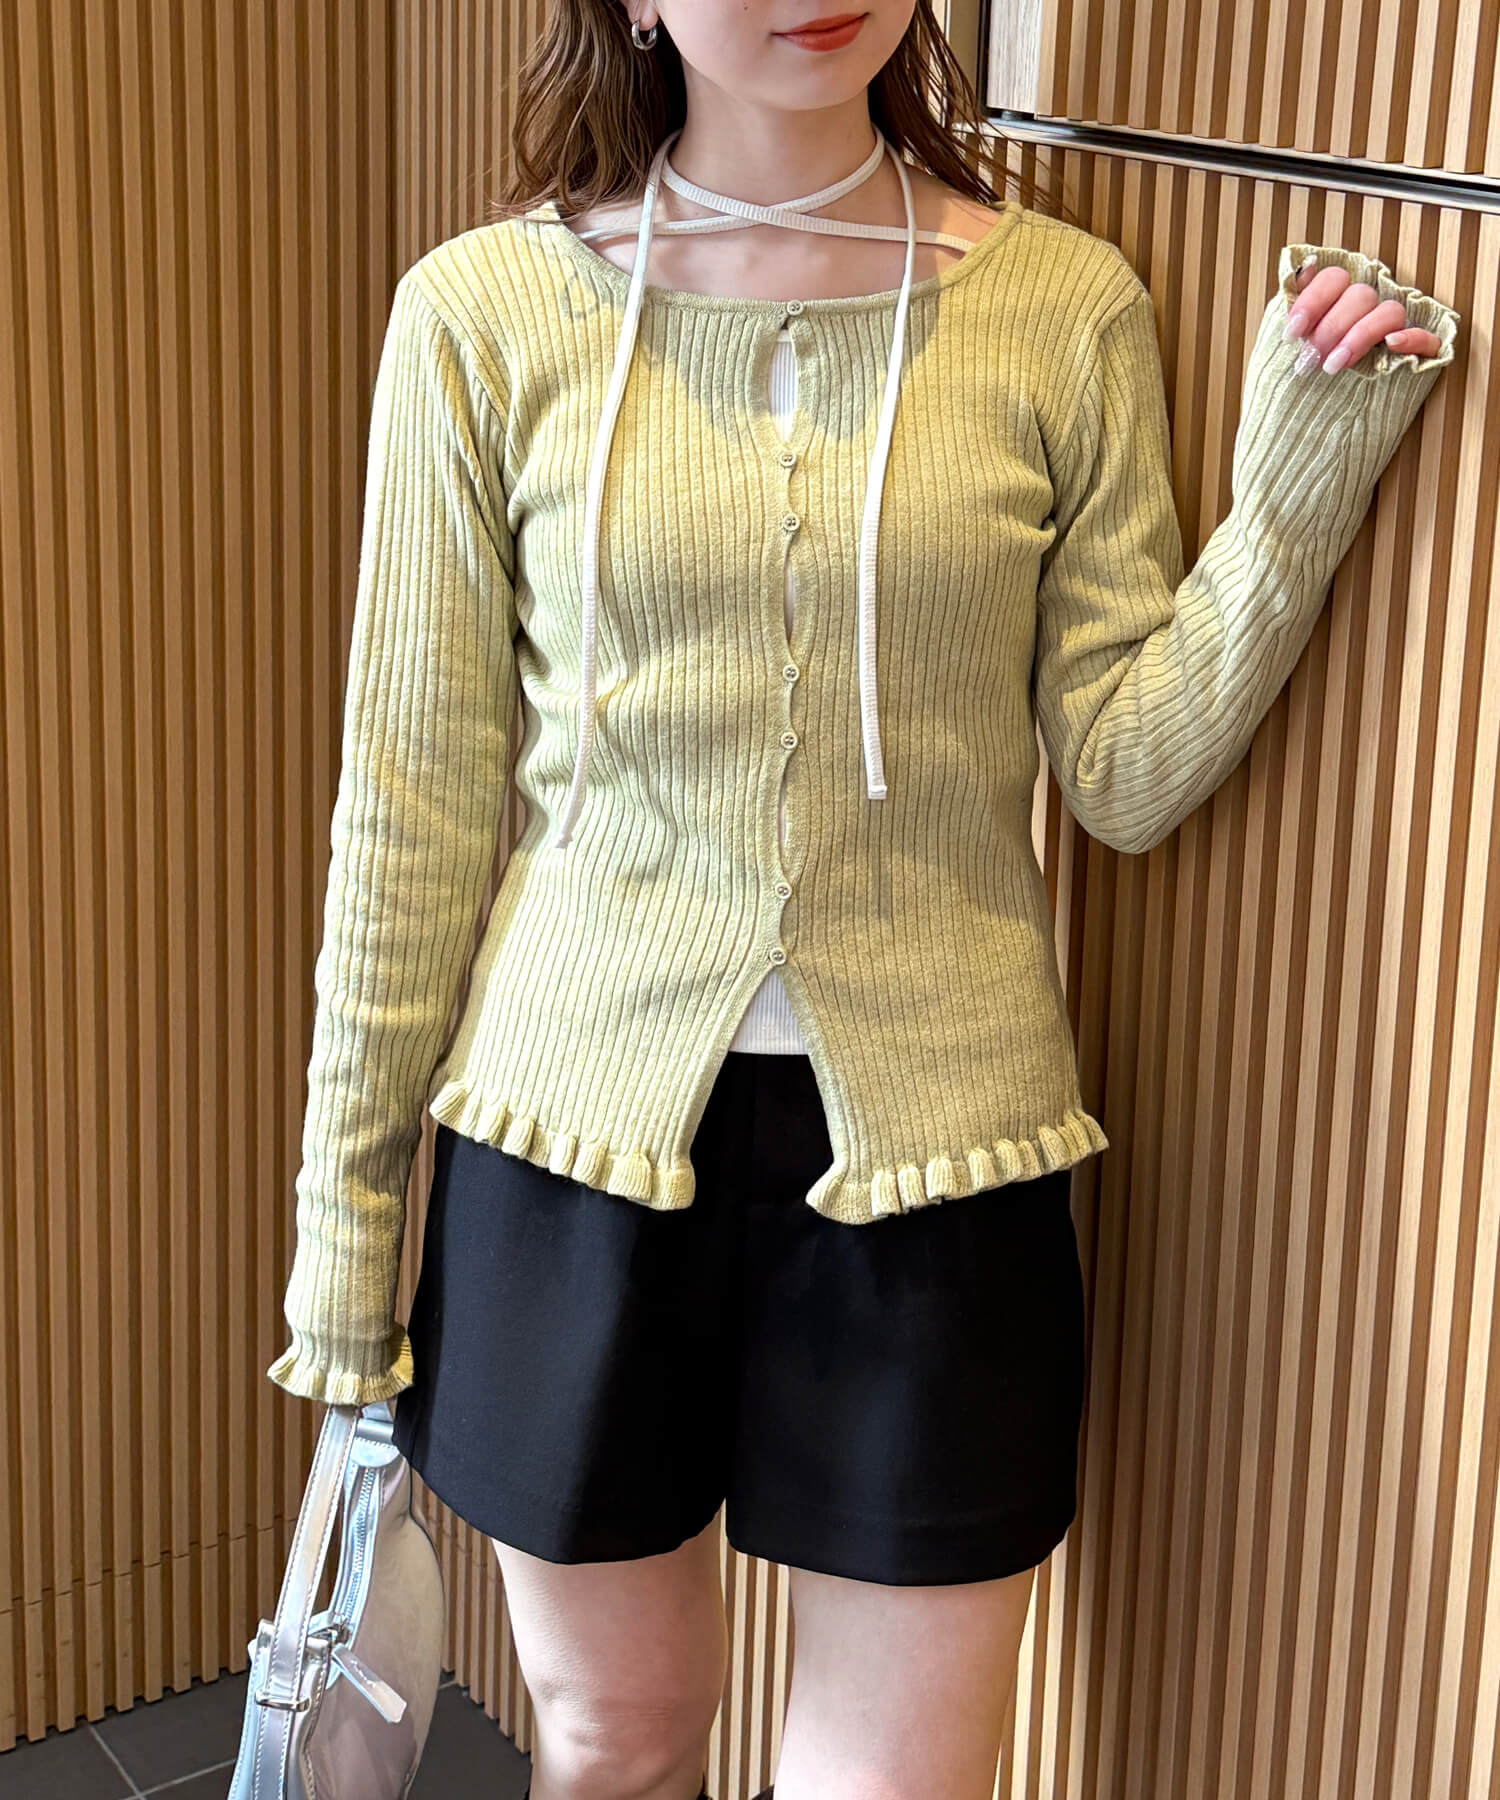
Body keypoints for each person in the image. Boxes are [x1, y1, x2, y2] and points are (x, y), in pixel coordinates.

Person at [265, 3, 1461, 1796]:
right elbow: (408, 821)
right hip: (569, 1154)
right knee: (615, 1741)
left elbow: (1125, 770)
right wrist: (347, 1253)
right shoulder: (479, 317)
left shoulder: (1063, 307)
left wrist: (1292, 486)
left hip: (944, 1154)